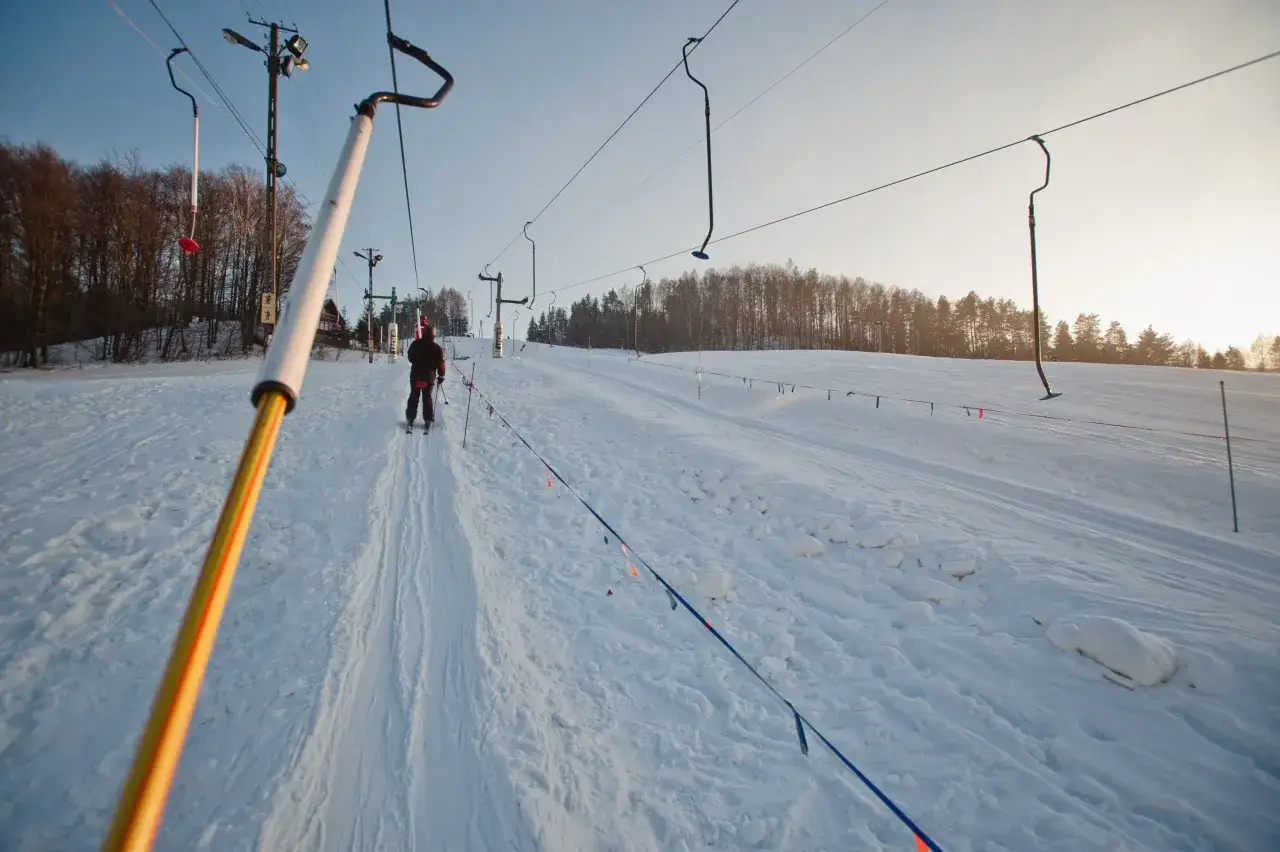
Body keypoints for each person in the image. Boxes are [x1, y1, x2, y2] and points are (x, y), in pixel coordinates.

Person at [406, 320, 446, 428]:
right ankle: (428, 419)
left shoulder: (415, 344)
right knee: (427, 397)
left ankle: (410, 417)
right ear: (433, 334)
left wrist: (416, 361)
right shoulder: (437, 348)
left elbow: (409, 357)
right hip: (429, 377)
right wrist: (441, 375)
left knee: (414, 396)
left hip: (415, 375)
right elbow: (441, 363)